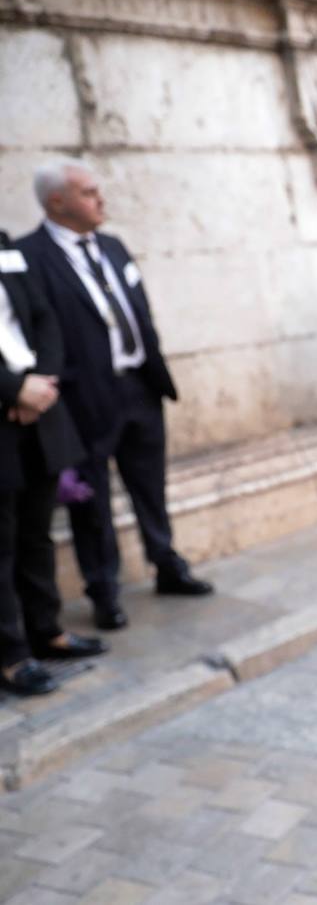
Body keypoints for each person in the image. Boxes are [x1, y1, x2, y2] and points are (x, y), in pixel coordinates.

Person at [18, 159, 212, 632]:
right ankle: (104, 589)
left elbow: (136, 309)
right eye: (88, 192)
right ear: (57, 201)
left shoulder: (112, 245)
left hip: (139, 386)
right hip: (84, 397)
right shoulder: (31, 256)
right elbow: (39, 330)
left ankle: (166, 562)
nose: (100, 199)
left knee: (150, 484)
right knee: (92, 501)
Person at [0, 230, 106, 696]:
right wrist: (11, 389)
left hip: (40, 407)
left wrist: (40, 383)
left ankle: (47, 631)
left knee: (36, 533)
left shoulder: (4, 243)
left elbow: (44, 318)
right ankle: (10, 654)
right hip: (4, 409)